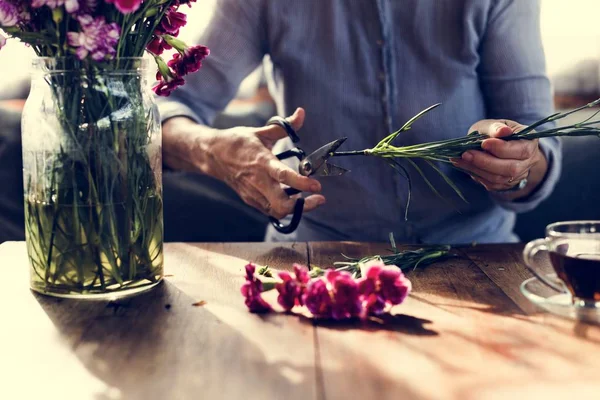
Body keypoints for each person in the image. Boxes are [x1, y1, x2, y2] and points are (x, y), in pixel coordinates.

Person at [156, 0, 560, 244]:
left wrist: (516, 163)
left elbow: (538, 143)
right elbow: (167, 113)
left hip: (476, 257)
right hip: (315, 261)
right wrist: (214, 151)